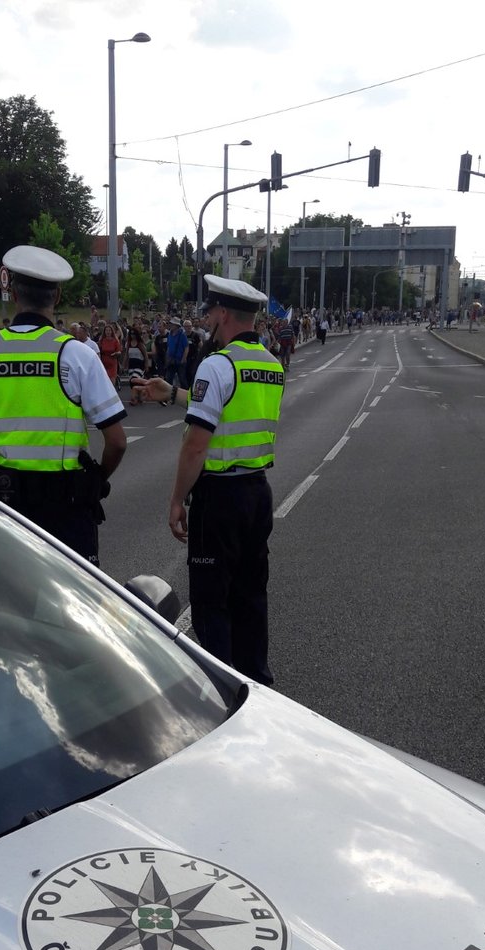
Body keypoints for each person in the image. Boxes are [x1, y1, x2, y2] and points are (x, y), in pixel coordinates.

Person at [134, 275, 284, 685]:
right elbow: (227, 407)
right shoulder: (271, 364)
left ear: (221, 314)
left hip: (219, 499)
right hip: (257, 492)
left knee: (210, 602)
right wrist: (172, 393)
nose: (207, 321)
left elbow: (196, 445)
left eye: (209, 313)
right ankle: (258, 683)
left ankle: (222, 689)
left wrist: (176, 500)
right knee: (251, 595)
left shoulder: (217, 364)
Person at [0, 245, 127, 567]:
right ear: (56, 296)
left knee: (10, 604)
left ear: (13, 294)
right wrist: (96, 479)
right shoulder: (78, 354)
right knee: (72, 609)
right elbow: (117, 441)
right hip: (66, 504)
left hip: (5, 500)